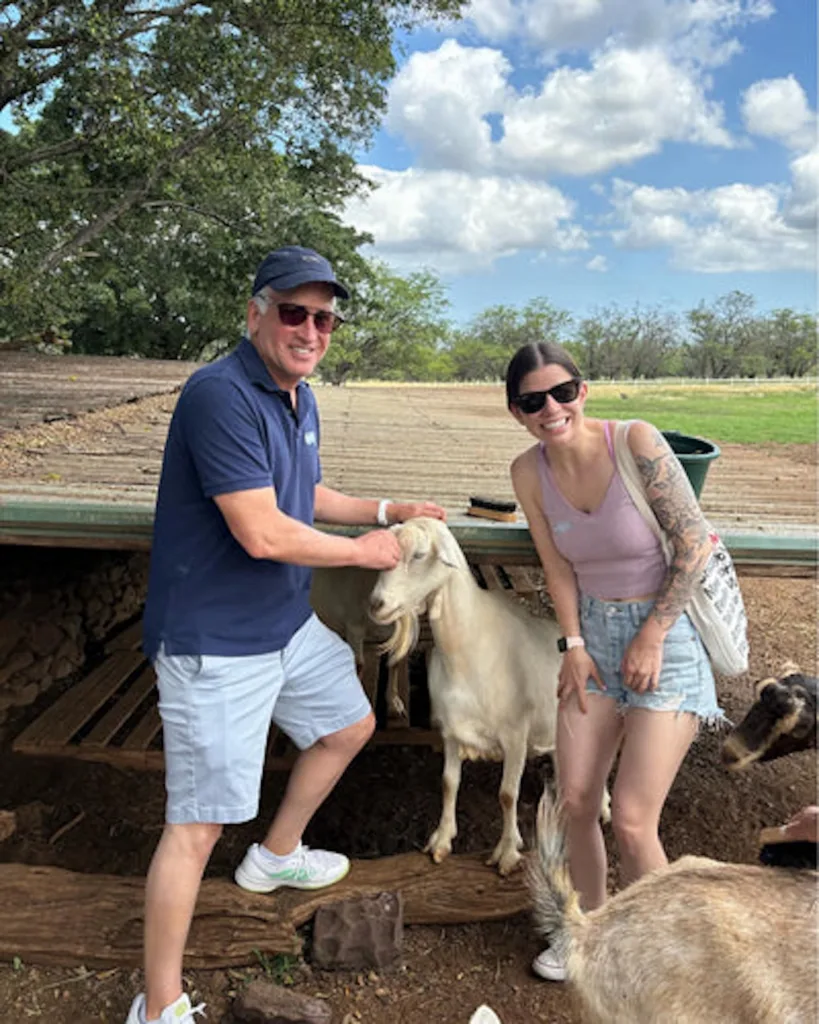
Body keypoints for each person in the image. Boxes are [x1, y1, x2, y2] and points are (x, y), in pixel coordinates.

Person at [126, 245, 446, 1024]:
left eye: (323, 319)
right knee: (196, 825)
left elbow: (305, 494)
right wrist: (365, 554)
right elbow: (262, 531)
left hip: (282, 625)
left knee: (348, 724)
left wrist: (387, 511)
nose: (309, 330)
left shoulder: (297, 397)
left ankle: (274, 857)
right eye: (294, 312)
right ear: (255, 314)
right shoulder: (219, 394)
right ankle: (159, 1005)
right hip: (214, 640)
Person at [506, 341, 724, 983]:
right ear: (516, 412)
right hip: (593, 638)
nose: (551, 409)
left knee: (631, 818)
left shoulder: (635, 442)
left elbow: (693, 543)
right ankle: (590, 933)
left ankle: (668, 958)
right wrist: (572, 645)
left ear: (583, 390)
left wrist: (652, 634)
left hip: (667, 634)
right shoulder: (528, 472)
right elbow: (557, 567)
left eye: (561, 393)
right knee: (576, 798)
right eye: (532, 401)